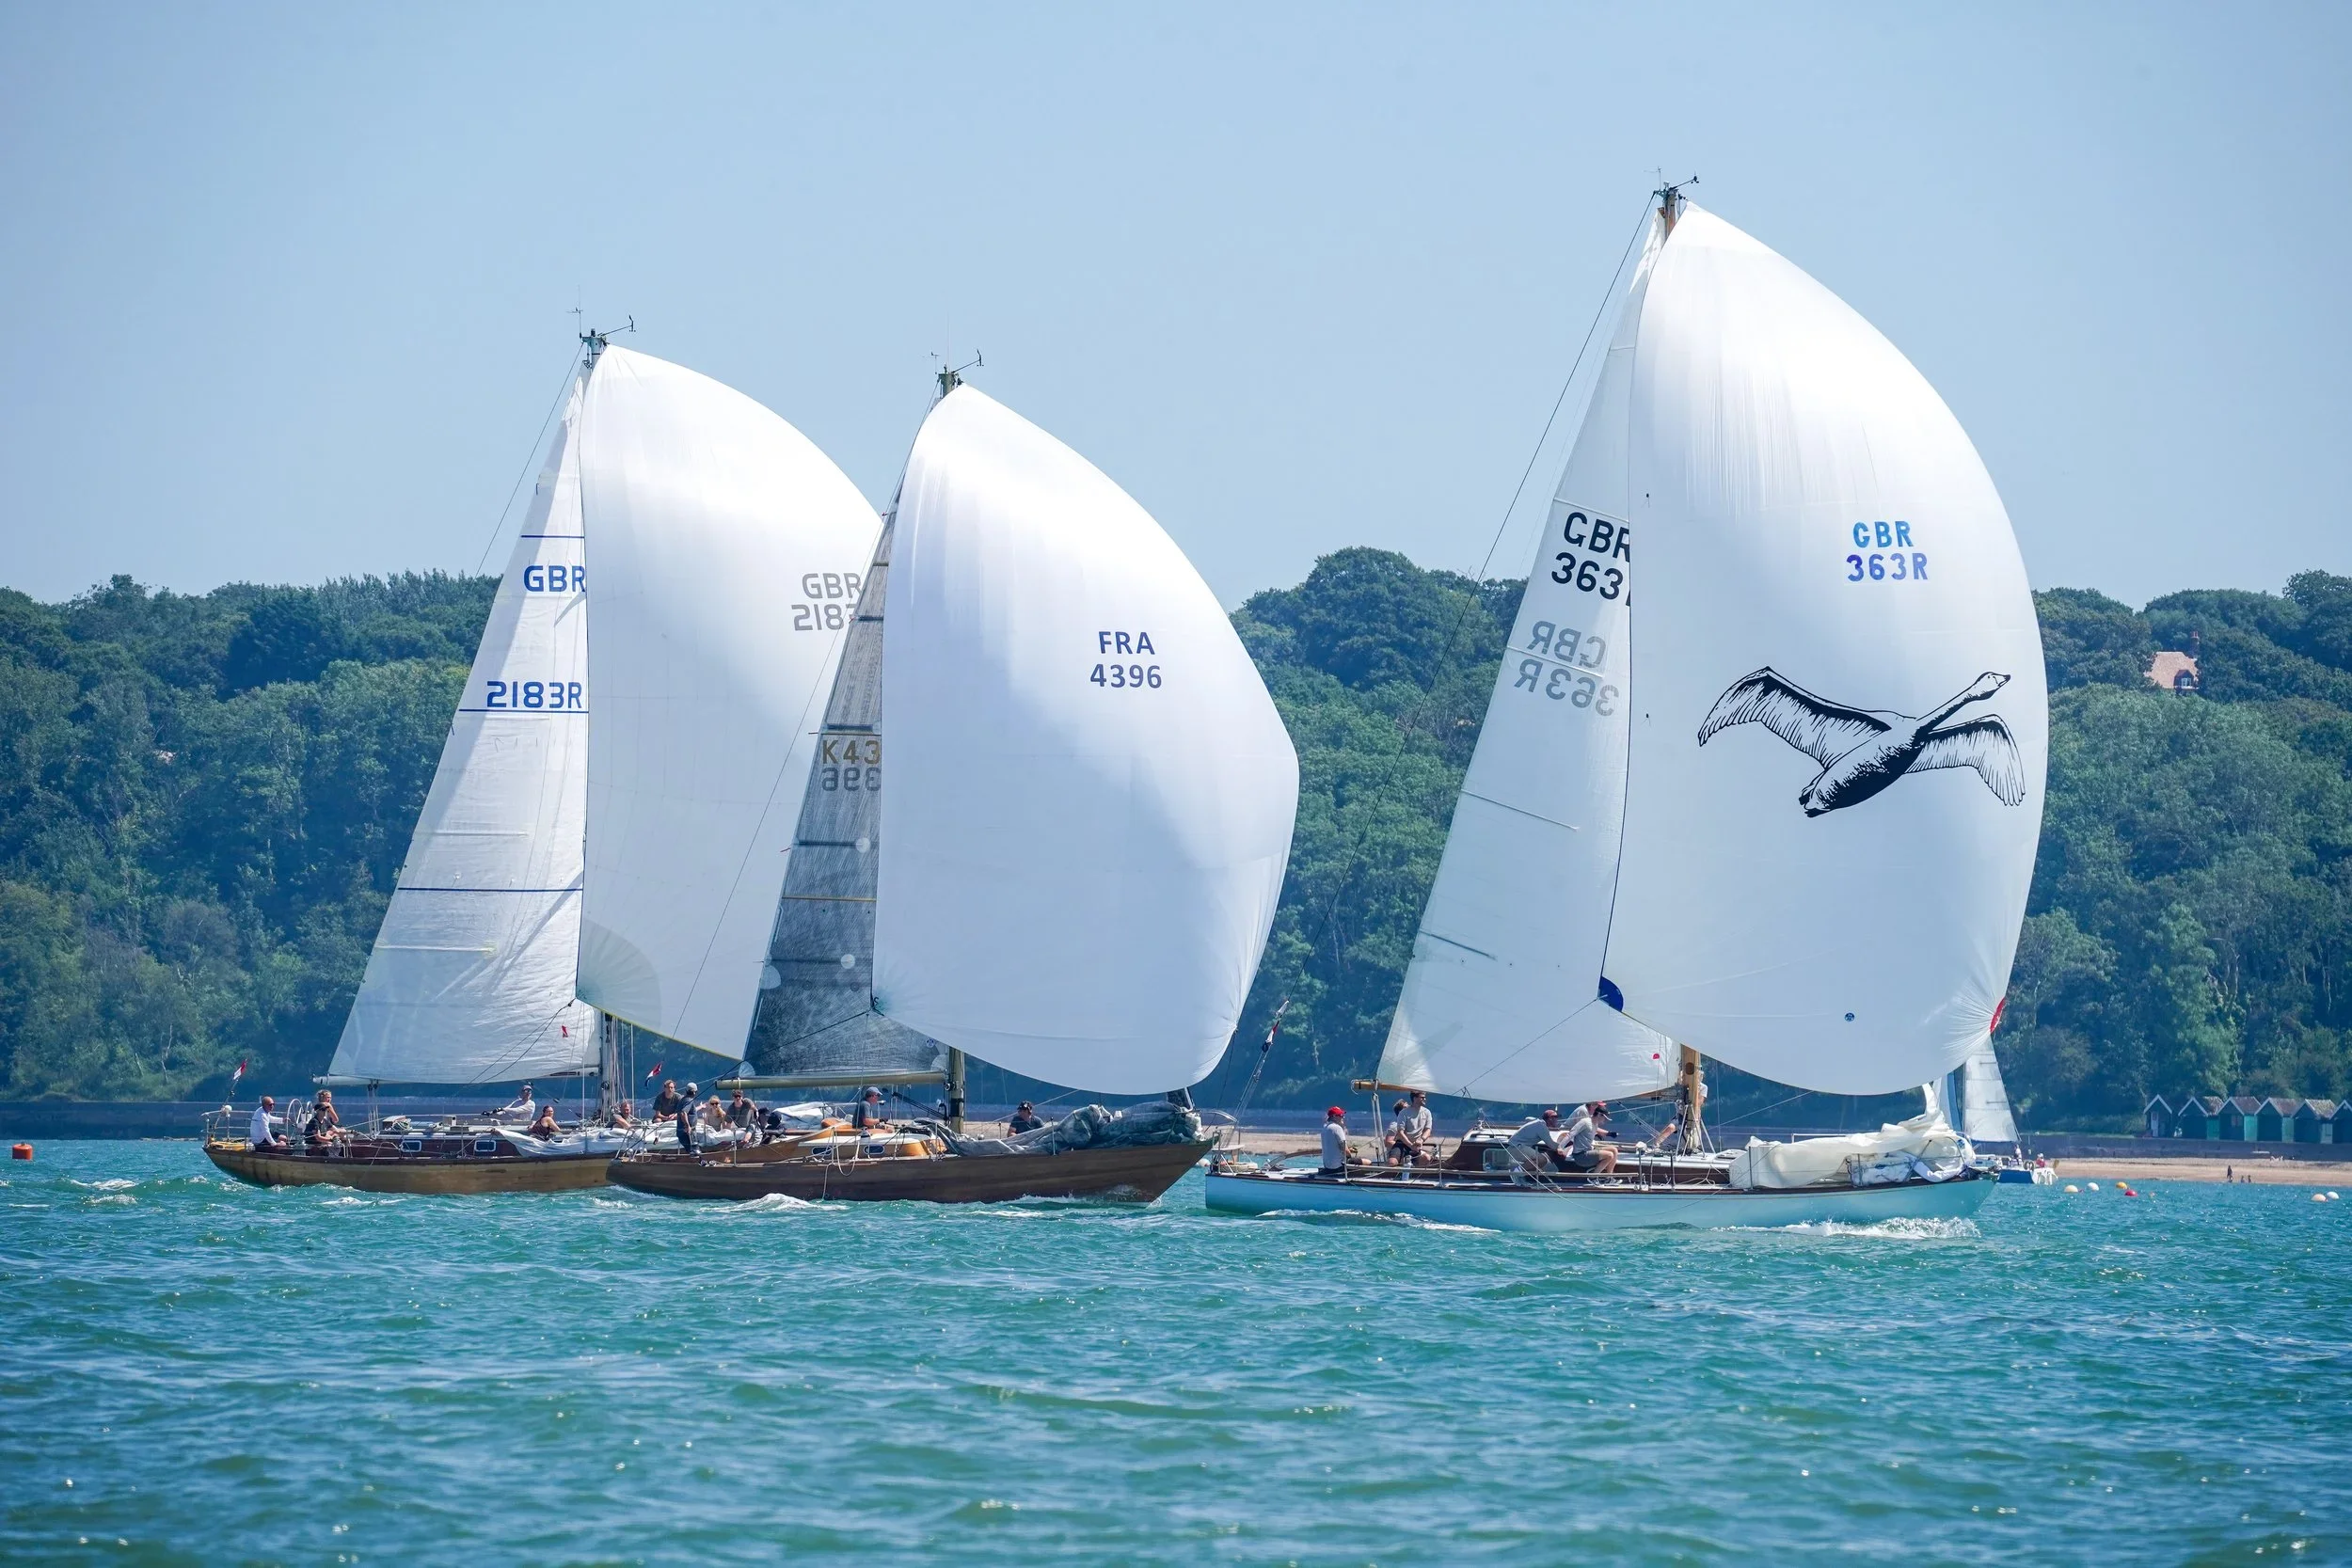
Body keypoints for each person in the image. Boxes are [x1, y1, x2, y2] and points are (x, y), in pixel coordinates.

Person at [1507, 1109, 1569, 1177]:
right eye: (1555, 1117)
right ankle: (1515, 1173)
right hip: (1516, 1148)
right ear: (1550, 1119)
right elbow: (1552, 1145)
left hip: (1516, 1148)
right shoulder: (1542, 1127)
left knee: (1540, 1162)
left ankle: (1522, 1176)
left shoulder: (1539, 1124)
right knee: (1541, 1160)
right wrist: (1568, 1144)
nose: (1557, 1120)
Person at [1564, 1101, 1619, 1176]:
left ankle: (1609, 1177)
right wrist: (1560, 1147)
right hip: (1577, 1148)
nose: (1600, 1108)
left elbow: (1592, 1128)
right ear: (1592, 1105)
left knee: (1614, 1150)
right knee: (1609, 1155)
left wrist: (1608, 1133)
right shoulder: (1583, 1112)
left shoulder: (1593, 1119)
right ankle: (1594, 1177)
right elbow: (1573, 1132)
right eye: (1598, 1106)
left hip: (1587, 1147)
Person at [1317, 1106, 1351, 1176]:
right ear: (1334, 1116)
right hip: (1338, 1167)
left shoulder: (1325, 1128)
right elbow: (1346, 1150)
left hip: (1328, 1167)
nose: (1343, 1117)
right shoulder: (1337, 1128)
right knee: (1367, 1162)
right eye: (1341, 1115)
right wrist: (1350, 1155)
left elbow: (1333, 1147)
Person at [673, 1083, 700, 1153]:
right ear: (694, 1092)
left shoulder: (683, 1100)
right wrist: (687, 1126)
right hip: (687, 1132)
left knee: (690, 1151)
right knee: (695, 1151)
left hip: (681, 1132)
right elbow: (683, 1113)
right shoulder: (689, 1100)